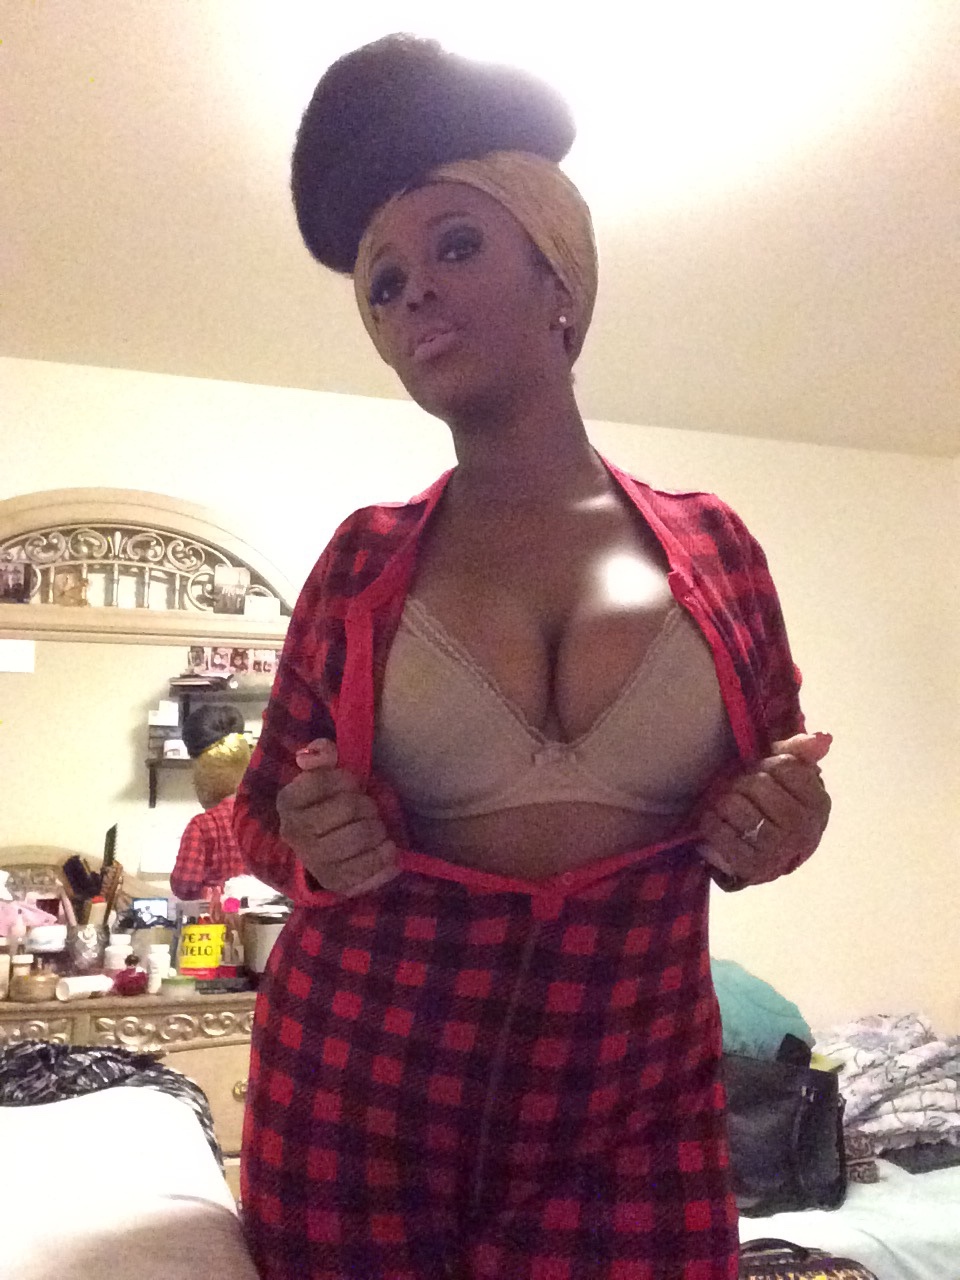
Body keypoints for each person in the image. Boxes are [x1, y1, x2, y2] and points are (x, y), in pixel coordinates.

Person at [234, 34, 832, 1279]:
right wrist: (311, 840)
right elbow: (261, 819)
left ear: (561, 276)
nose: (416, 295)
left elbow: (776, 788)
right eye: (385, 285)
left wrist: (784, 821)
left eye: (456, 245)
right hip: (353, 1104)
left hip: (633, 1110)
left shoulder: (716, 546)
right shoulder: (364, 559)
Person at [170, 703, 252, 902]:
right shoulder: (263, 816)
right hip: (266, 914)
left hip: (217, 915)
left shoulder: (202, 825)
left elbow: (184, 885)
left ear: (204, 777)